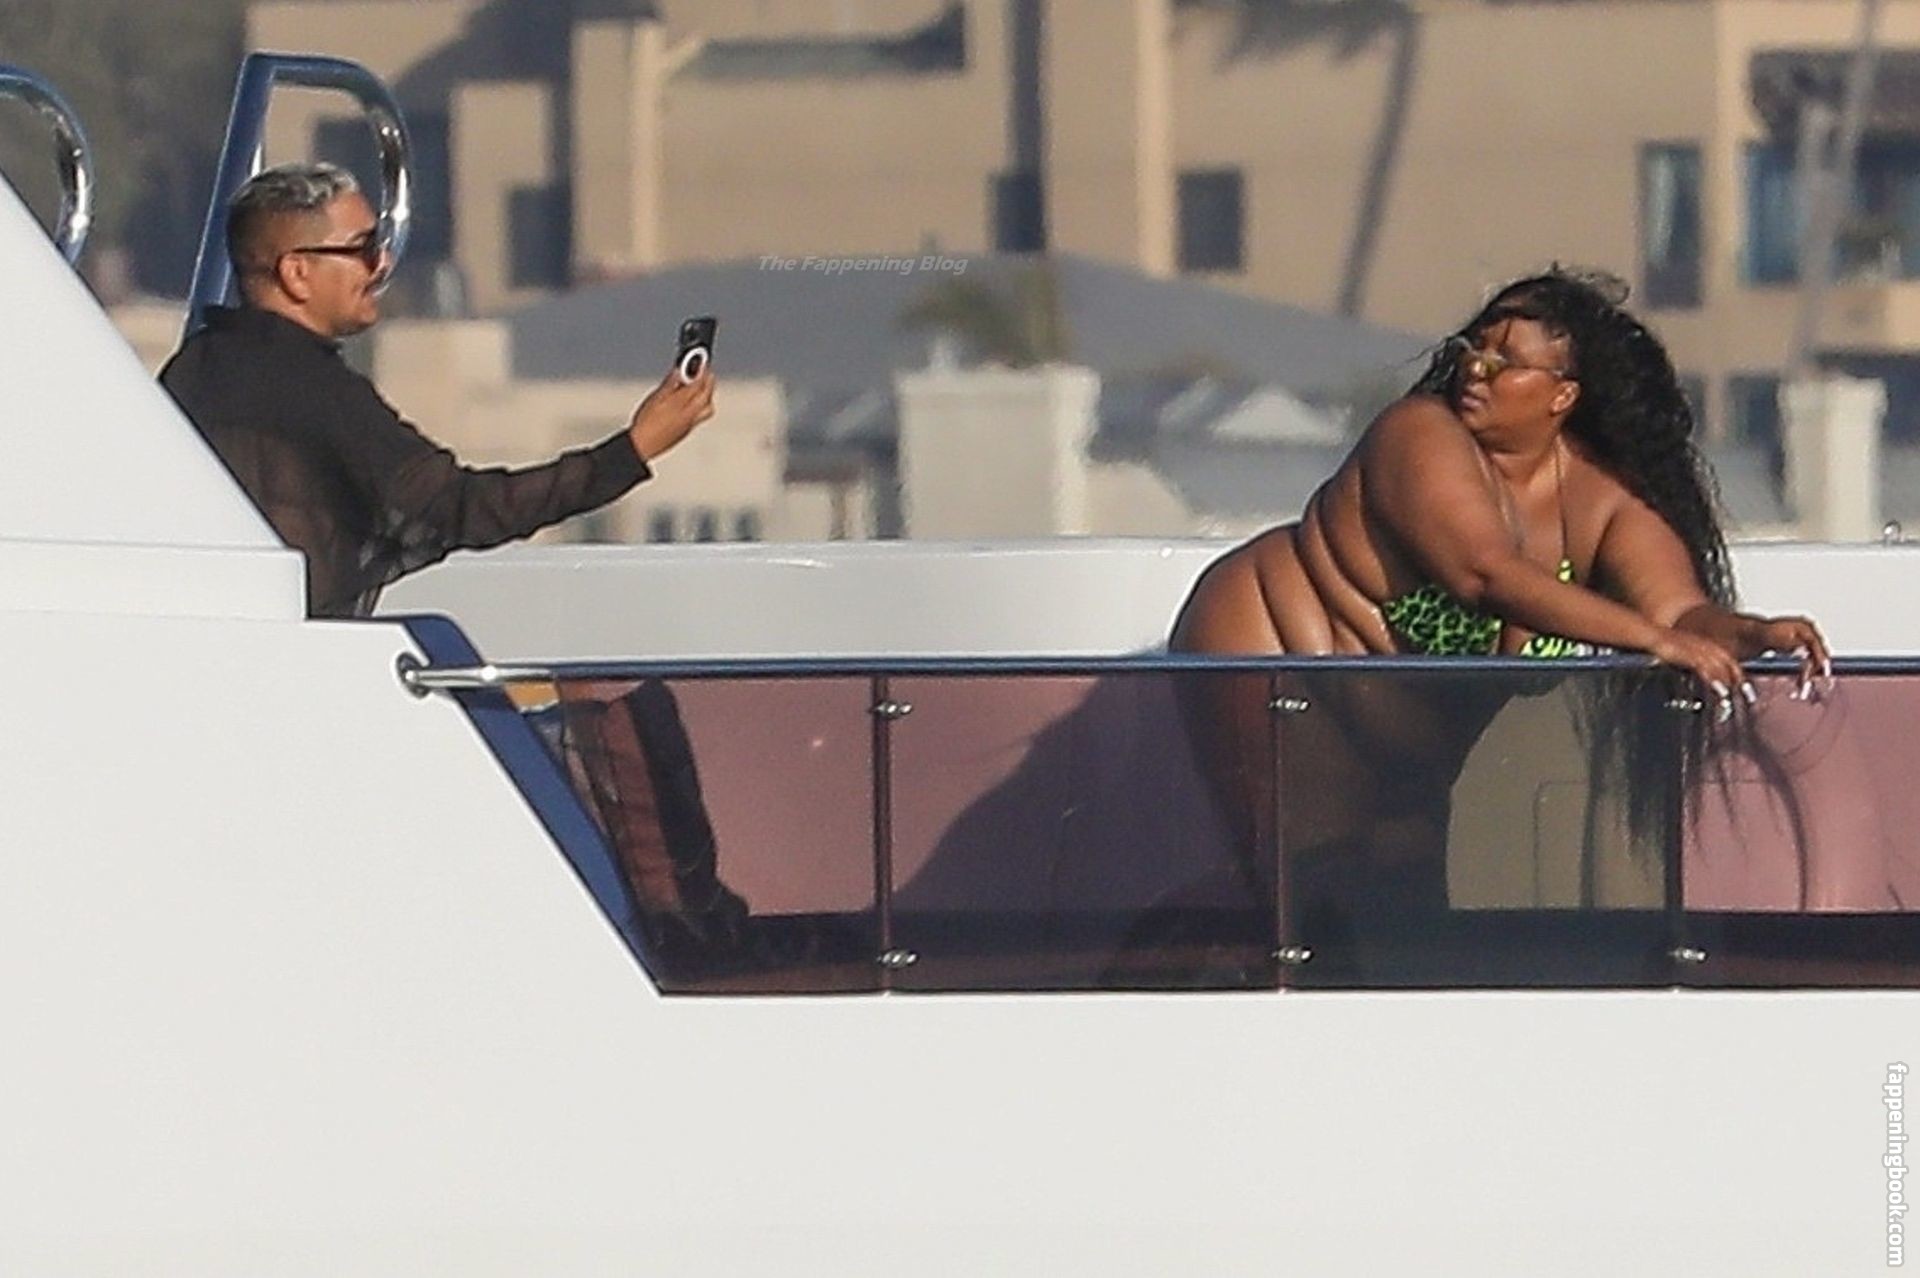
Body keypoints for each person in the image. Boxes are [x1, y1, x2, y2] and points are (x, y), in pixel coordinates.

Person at [1168, 269, 1832, 930]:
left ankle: (1173, 936)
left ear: (1563, 394)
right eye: (1474, 348)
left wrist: (1752, 633)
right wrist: (1652, 639)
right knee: (1314, 892)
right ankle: (1164, 948)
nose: (1476, 368)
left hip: (1405, 735)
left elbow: (1678, 613)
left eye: (1506, 360)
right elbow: (1484, 575)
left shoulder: (1603, 500)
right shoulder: (1418, 433)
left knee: (1406, 896)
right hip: (1276, 654)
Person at [160, 161, 713, 618]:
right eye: (363, 248)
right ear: (297, 273)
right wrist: (632, 450)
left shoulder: (190, 371)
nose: (382, 264)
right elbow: (460, 508)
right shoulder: (316, 390)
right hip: (294, 667)